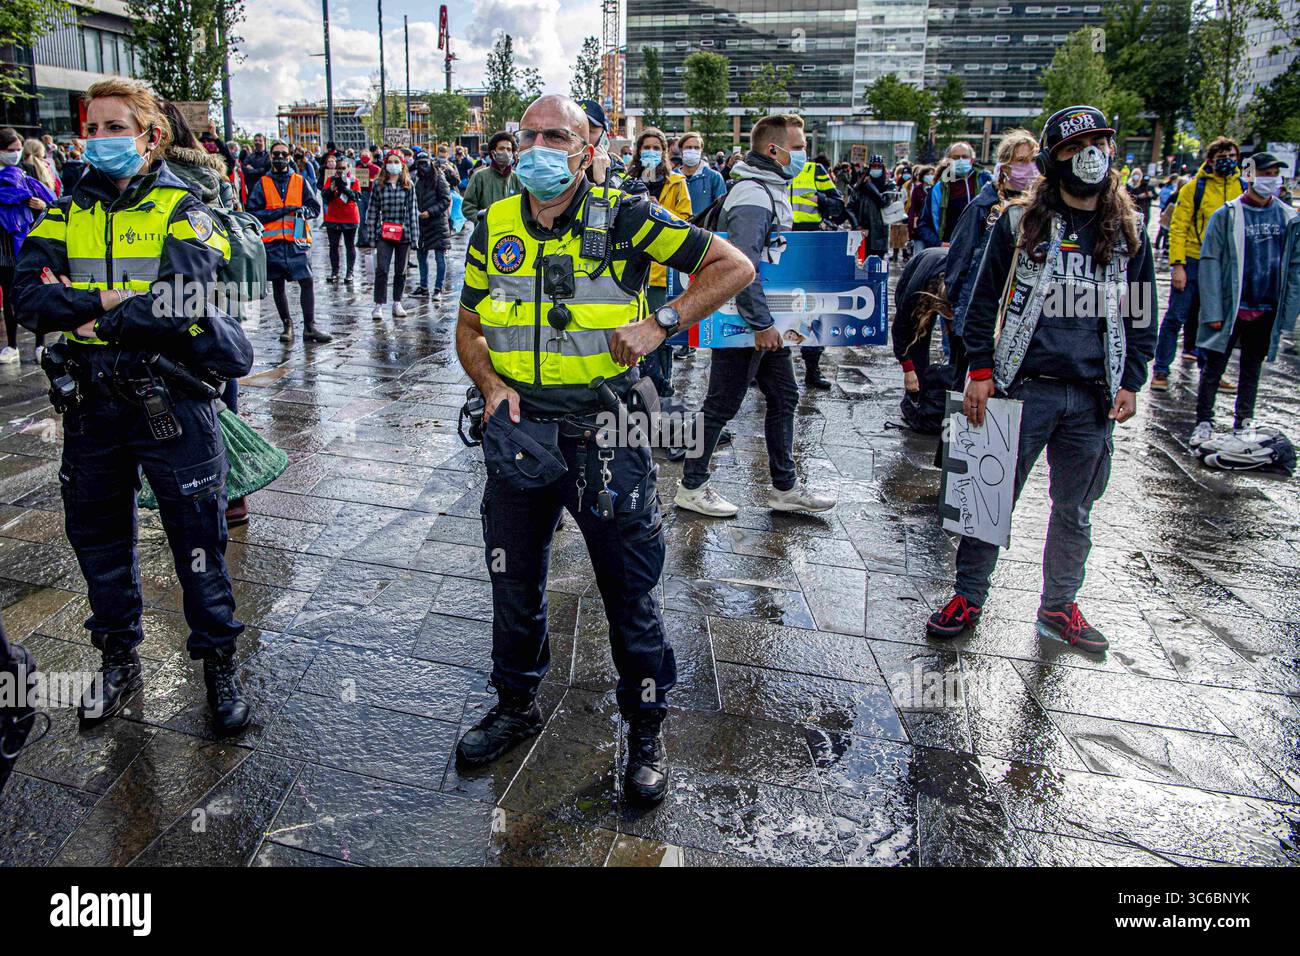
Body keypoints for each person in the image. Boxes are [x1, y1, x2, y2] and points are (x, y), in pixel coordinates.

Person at [454, 94, 753, 803]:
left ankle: (646, 726)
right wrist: (490, 383)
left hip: (606, 434)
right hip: (520, 437)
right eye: (528, 135)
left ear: (589, 148)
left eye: (555, 135)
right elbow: (468, 327)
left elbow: (732, 265)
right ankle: (515, 705)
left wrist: (662, 323)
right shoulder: (493, 222)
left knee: (630, 592)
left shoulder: (626, 217)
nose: (536, 148)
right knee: (513, 583)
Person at [14, 77, 250, 732]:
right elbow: (29, 301)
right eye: (92, 128)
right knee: (97, 538)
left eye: (115, 126)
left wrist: (87, 312)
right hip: (92, 407)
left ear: (150, 136)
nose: (100, 139)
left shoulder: (187, 208)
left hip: (169, 401)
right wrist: (120, 301)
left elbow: (184, 301)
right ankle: (118, 658)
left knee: (197, 539)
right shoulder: (64, 211)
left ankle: (218, 663)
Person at [927, 104, 1156, 654]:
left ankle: (1059, 606)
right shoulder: (1019, 222)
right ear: (1056, 158)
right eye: (1077, 148)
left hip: (1093, 395)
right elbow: (980, 300)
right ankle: (968, 597)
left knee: (1075, 508)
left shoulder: (1129, 229)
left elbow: (1142, 310)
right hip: (1019, 386)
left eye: (1099, 144)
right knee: (988, 499)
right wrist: (978, 369)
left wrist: (1133, 378)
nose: (1090, 157)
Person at [675, 113, 838, 519]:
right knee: (719, 405)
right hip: (745, 324)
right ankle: (691, 486)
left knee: (784, 395)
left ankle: (785, 487)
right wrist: (762, 323)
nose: (803, 154)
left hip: (763, 323)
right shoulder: (753, 195)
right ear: (773, 150)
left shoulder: (769, 188)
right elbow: (742, 268)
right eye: (798, 147)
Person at [1190, 152, 1300, 445]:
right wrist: (1212, 310)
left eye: (1275, 173)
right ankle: (1204, 421)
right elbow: (1210, 261)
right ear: (1250, 175)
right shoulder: (1227, 215)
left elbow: (1294, 267)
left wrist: (1288, 312)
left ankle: (1244, 423)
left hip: (1266, 309)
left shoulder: (1289, 217)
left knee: (1252, 369)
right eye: (1265, 173)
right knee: (1214, 367)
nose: (1271, 179)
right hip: (1230, 308)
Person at [943, 128, 1040, 382]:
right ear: (1005, 166)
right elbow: (959, 260)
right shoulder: (983, 207)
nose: (1029, 168)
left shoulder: (1042, 212)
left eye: (1033, 161)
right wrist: (956, 308)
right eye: (1021, 161)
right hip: (980, 311)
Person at [1151, 136, 1246, 391]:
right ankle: (1161, 369)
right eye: (1221, 158)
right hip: (1193, 259)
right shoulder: (1194, 188)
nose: (1227, 162)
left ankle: (1211, 371)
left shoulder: (1242, 188)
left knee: (1214, 319)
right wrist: (1178, 264)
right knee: (1175, 316)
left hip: (1223, 265)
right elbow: (1178, 227)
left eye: (1231, 158)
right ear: (1210, 160)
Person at [625, 126, 693, 400]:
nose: (650, 152)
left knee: (660, 325)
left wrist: (658, 210)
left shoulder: (676, 182)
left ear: (664, 152)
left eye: (656, 147)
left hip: (660, 271)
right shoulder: (627, 179)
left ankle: (663, 382)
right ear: (639, 150)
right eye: (646, 147)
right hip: (631, 267)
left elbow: (686, 220)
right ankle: (637, 381)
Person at [246, 140, 331, 344]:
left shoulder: (299, 181)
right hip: (273, 242)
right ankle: (287, 325)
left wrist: (304, 211)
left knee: (307, 281)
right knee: (278, 285)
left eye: (284, 154)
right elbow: (253, 213)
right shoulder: (262, 183)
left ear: (290, 156)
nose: (281, 157)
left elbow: (314, 207)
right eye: (277, 154)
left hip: (297, 240)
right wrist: (280, 211)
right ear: (271, 157)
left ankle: (309, 326)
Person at [788, 149, 843, 389]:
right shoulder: (769, 170)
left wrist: (820, 200)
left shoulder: (814, 170)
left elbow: (838, 206)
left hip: (809, 245)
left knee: (812, 310)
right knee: (774, 309)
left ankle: (812, 368)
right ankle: (763, 370)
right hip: (779, 245)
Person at [0, 127, 55, 365]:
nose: (15, 154)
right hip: (3, 246)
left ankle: (40, 343)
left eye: (18, 149)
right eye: (10, 150)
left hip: (25, 242)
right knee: (10, 298)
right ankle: (12, 345)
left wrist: (41, 205)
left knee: (34, 293)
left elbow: (49, 201)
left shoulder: (27, 171)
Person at [362, 149, 419, 321]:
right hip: (384, 232)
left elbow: (412, 212)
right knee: (382, 269)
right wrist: (371, 237)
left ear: (402, 165)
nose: (393, 165)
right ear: (385, 164)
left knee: (401, 271)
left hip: (404, 233)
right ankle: (378, 304)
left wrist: (414, 238)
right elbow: (372, 212)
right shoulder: (379, 185)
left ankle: (397, 302)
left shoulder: (408, 185)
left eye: (397, 162)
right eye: (390, 161)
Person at [892, 245, 949, 390]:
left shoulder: (965, 288)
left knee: (957, 338)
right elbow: (900, 328)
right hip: (918, 269)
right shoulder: (915, 294)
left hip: (945, 270)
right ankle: (917, 391)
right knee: (918, 339)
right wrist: (908, 368)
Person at [923, 142, 992, 247]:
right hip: (950, 249)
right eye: (955, 158)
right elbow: (924, 224)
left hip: (980, 249)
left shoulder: (986, 181)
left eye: (964, 157)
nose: (960, 160)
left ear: (972, 160)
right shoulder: (939, 189)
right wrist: (939, 244)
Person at [413, 150, 452, 298]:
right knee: (421, 256)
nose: (422, 167)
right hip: (422, 223)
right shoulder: (417, 180)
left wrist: (430, 211)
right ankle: (424, 287)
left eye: (425, 164)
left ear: (430, 163)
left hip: (437, 223)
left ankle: (438, 289)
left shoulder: (439, 177)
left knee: (439, 257)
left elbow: (445, 200)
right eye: (420, 164)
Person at [461, 131, 519, 225]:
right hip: (485, 233)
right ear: (493, 152)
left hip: (511, 234)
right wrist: (484, 221)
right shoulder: (479, 177)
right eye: (501, 148)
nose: (506, 152)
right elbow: (467, 206)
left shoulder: (517, 178)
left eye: (509, 149)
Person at [320, 153, 360, 283]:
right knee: (333, 246)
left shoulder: (354, 180)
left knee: (350, 245)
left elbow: (356, 196)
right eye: (339, 168)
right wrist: (332, 189)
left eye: (343, 168)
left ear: (348, 168)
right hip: (333, 217)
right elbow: (325, 197)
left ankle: (350, 272)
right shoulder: (331, 179)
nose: (341, 170)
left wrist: (344, 188)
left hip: (349, 217)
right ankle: (335, 271)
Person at [678, 130, 726, 217]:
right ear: (681, 149)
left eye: (696, 148)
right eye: (688, 147)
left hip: (704, 228)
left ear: (701, 150)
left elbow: (721, 209)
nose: (692, 151)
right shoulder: (672, 177)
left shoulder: (714, 177)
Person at [907, 164, 935, 255]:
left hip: (932, 228)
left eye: (932, 174)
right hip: (918, 227)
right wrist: (911, 227)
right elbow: (913, 208)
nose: (930, 176)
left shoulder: (936, 189)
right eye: (928, 174)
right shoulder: (917, 190)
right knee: (918, 254)